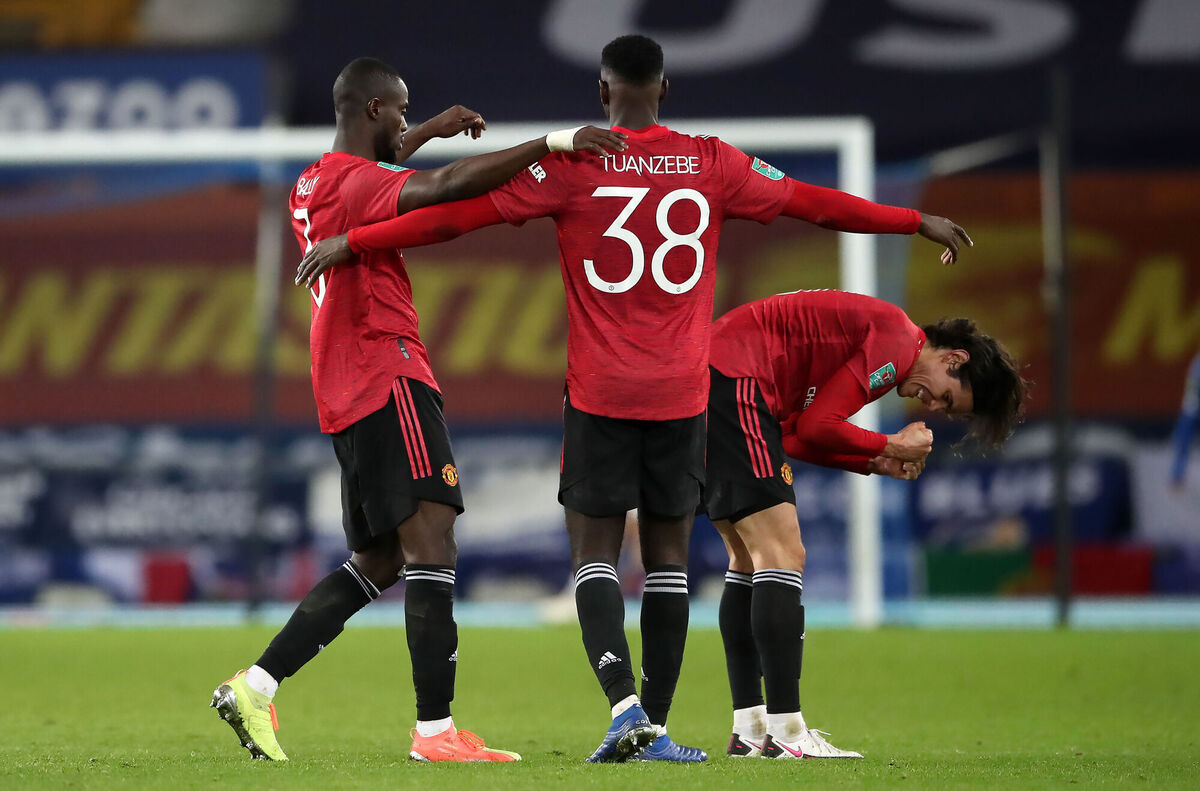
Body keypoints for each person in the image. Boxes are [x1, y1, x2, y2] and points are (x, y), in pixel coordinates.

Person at [294, 35, 972, 763]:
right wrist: (911, 219)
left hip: (599, 391)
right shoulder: (713, 162)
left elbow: (455, 214)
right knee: (671, 561)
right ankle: (659, 722)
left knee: (594, 558)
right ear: (665, 90)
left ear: (602, 92)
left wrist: (357, 241)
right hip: (683, 391)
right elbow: (814, 204)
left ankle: (625, 712)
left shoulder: (577, 163)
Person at [209, 56, 626, 764]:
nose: (406, 121)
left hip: (340, 382)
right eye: (400, 110)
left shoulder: (314, 181)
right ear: (372, 109)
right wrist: (552, 143)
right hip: (386, 368)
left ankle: (254, 684)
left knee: (376, 558)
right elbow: (444, 186)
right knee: (432, 539)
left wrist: (430, 127)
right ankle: (435, 733)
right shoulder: (360, 182)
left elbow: (383, 163)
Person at [706, 289, 1026, 760]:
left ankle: (751, 727)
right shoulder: (898, 341)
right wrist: (892, 444)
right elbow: (817, 426)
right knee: (783, 554)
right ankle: (788, 734)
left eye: (945, 409)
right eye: (947, 397)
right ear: (954, 358)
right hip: (736, 383)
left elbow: (794, 435)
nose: (933, 406)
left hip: (717, 382)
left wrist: (874, 461)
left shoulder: (877, 344)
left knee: (749, 557)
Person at [1169, 352, 1200, 492]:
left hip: (1192, 409)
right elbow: (1193, 388)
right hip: (1192, 409)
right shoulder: (1197, 362)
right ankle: (1177, 477)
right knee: (1182, 443)